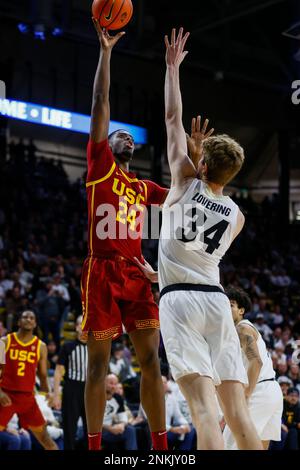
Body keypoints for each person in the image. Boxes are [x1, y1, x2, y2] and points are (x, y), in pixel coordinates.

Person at [154, 27, 262, 450]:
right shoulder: (238, 215)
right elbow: (212, 185)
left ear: (201, 163)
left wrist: (172, 68)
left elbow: (171, 119)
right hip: (217, 302)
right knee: (236, 414)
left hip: (179, 300)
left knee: (202, 410)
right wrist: (202, 162)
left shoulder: (183, 182)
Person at [81, 19, 168, 450]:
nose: (126, 136)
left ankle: (162, 448)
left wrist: (192, 154)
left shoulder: (146, 188)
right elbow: (100, 100)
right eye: (120, 133)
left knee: (152, 360)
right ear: (106, 143)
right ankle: (94, 445)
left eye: (130, 136)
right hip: (101, 270)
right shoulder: (99, 166)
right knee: (97, 367)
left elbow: (186, 200)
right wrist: (106, 52)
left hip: (135, 272)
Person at [223, 287, 283, 450]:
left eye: (231, 305)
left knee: (228, 445)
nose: (226, 307)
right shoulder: (235, 330)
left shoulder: (242, 328)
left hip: (258, 390)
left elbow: (256, 362)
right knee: (259, 446)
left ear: (241, 310)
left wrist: (246, 394)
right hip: (272, 390)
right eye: (224, 304)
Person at [0, 310, 57, 450]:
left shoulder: (41, 346)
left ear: (35, 323)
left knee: (45, 438)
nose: (29, 319)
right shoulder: (5, 341)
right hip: (7, 396)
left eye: (32, 318)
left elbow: (43, 375)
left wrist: (48, 392)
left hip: (27, 399)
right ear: (19, 322)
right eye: (25, 317)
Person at [53, 315, 88, 449]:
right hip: (71, 389)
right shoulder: (68, 346)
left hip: (90, 391)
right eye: (81, 324)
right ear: (77, 327)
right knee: (69, 428)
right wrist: (56, 395)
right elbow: (58, 371)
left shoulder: (96, 346)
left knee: (91, 430)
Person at [102, 374, 138, 450]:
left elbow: (123, 418)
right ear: (104, 383)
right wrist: (111, 428)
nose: (113, 386)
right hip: (98, 431)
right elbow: (92, 422)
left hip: (112, 429)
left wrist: (121, 425)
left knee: (130, 430)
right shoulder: (96, 396)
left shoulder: (118, 398)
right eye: (111, 383)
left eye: (115, 384)